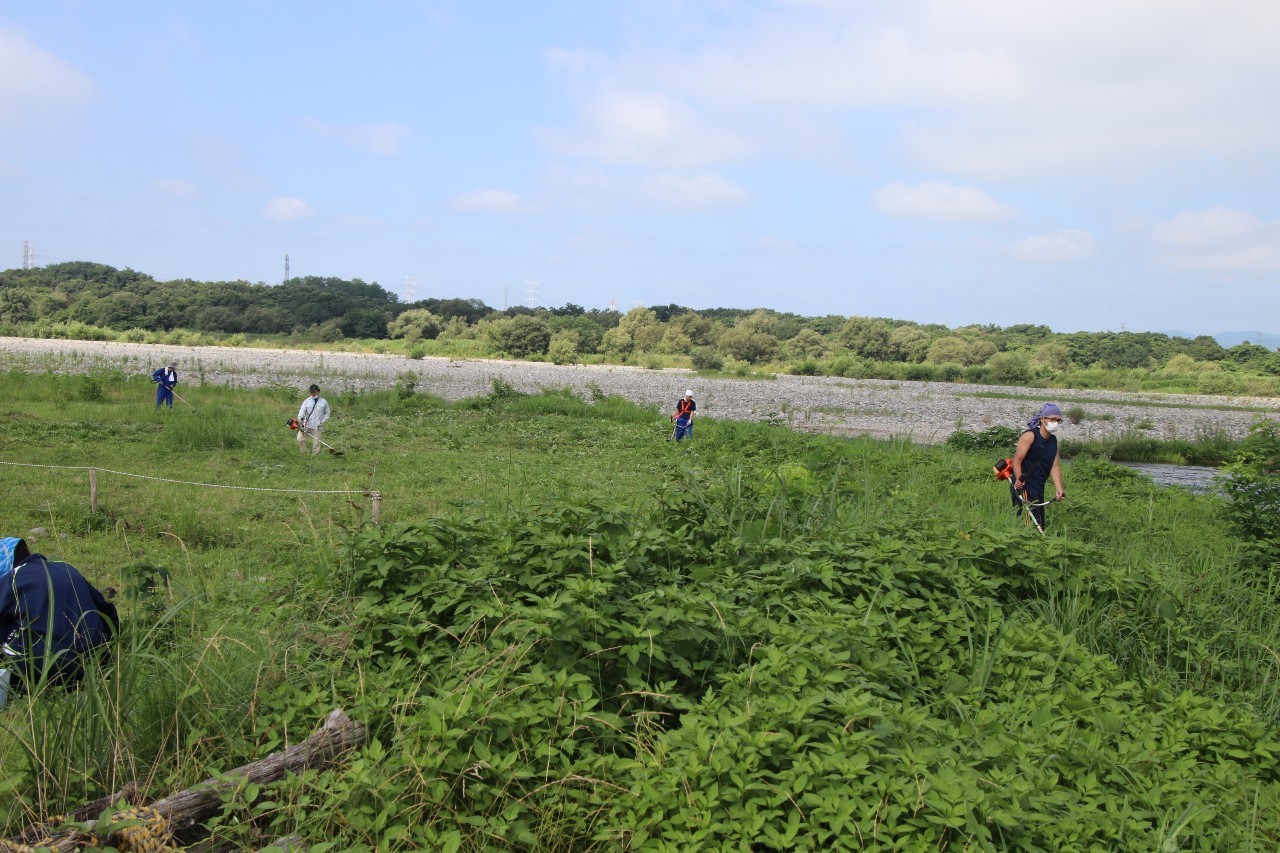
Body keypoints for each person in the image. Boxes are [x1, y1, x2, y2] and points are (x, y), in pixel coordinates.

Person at [0, 537, 118, 696]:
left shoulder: (12, 579)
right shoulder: (66, 567)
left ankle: (16, 686)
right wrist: (109, 651)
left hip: (61, 664)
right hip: (97, 660)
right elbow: (107, 611)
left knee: (11, 635)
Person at [1010, 403, 1066, 531]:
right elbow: (1017, 460)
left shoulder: (1054, 441)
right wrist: (1019, 479)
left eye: (1058, 420)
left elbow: (1054, 466)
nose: (1055, 422)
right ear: (1042, 419)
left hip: (1039, 486)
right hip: (1024, 485)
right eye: (1052, 419)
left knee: (1039, 523)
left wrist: (1059, 489)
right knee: (1029, 524)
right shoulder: (1030, 436)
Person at [296, 383, 331, 455]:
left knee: (316, 443)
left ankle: (315, 457)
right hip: (306, 425)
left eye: (314, 392)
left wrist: (322, 421)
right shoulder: (306, 401)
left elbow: (327, 413)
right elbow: (302, 411)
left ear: (318, 391)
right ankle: (304, 454)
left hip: (317, 426)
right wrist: (299, 419)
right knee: (300, 439)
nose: (313, 394)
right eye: (311, 392)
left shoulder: (324, 402)